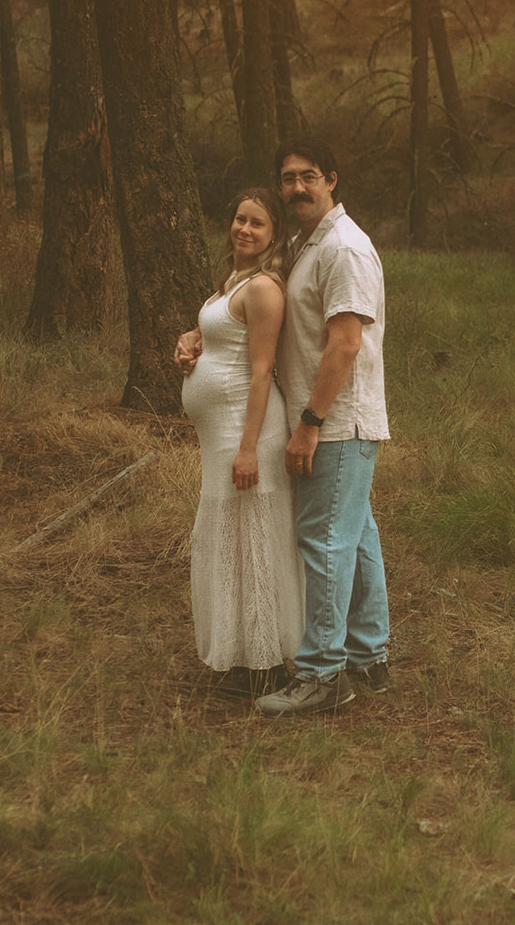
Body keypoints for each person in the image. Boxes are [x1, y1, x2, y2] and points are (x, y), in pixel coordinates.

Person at [183, 140, 391, 717]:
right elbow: (258, 314)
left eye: (308, 178)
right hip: (321, 418)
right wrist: (207, 337)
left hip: (337, 420)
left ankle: (324, 675)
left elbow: (346, 343)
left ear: (332, 179)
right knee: (356, 535)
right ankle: (369, 655)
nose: (297, 187)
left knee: (323, 541)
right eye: (288, 178)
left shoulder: (345, 248)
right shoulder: (307, 243)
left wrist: (309, 423)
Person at [177, 188, 304, 683]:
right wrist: (191, 341)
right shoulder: (234, 280)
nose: (244, 230)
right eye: (239, 219)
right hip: (221, 437)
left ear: (273, 235)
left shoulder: (265, 288)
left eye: (257, 224)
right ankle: (243, 654)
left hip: (246, 433)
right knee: (231, 539)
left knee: (256, 541)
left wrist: (249, 448)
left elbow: (261, 370)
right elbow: (223, 336)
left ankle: (269, 663)